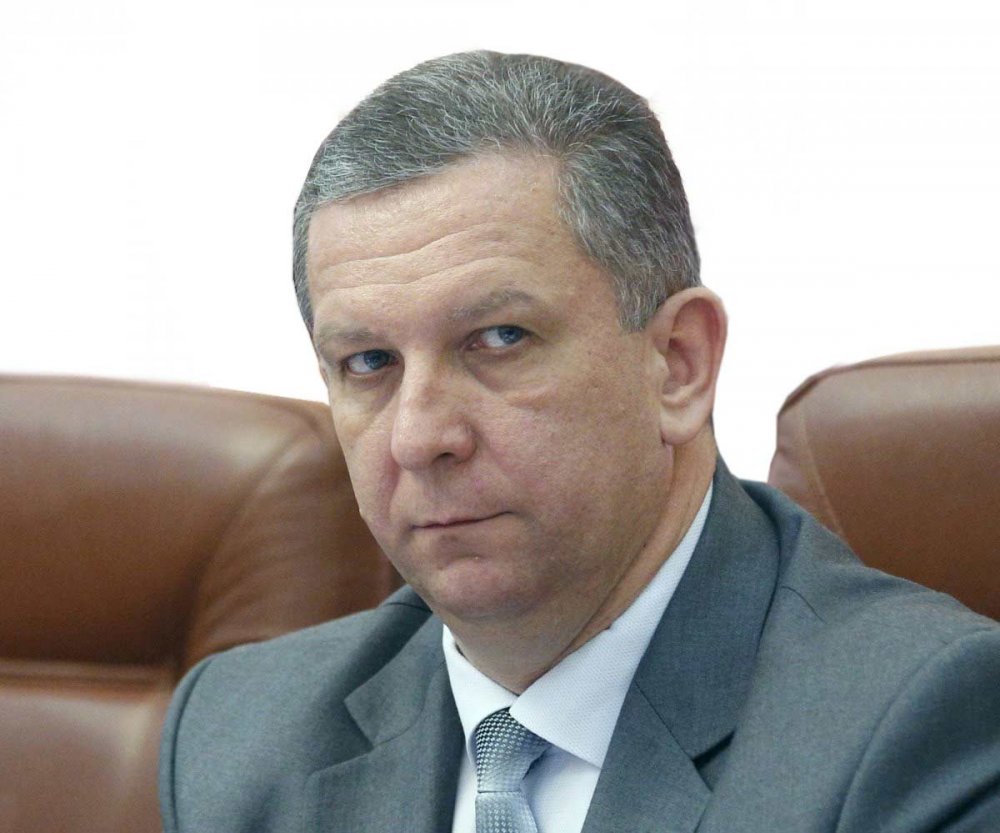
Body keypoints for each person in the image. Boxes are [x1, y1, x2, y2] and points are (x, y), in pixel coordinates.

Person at [159, 51, 1000, 833]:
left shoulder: (925, 725)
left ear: (678, 364)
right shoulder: (237, 734)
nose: (418, 437)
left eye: (499, 339)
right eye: (369, 361)